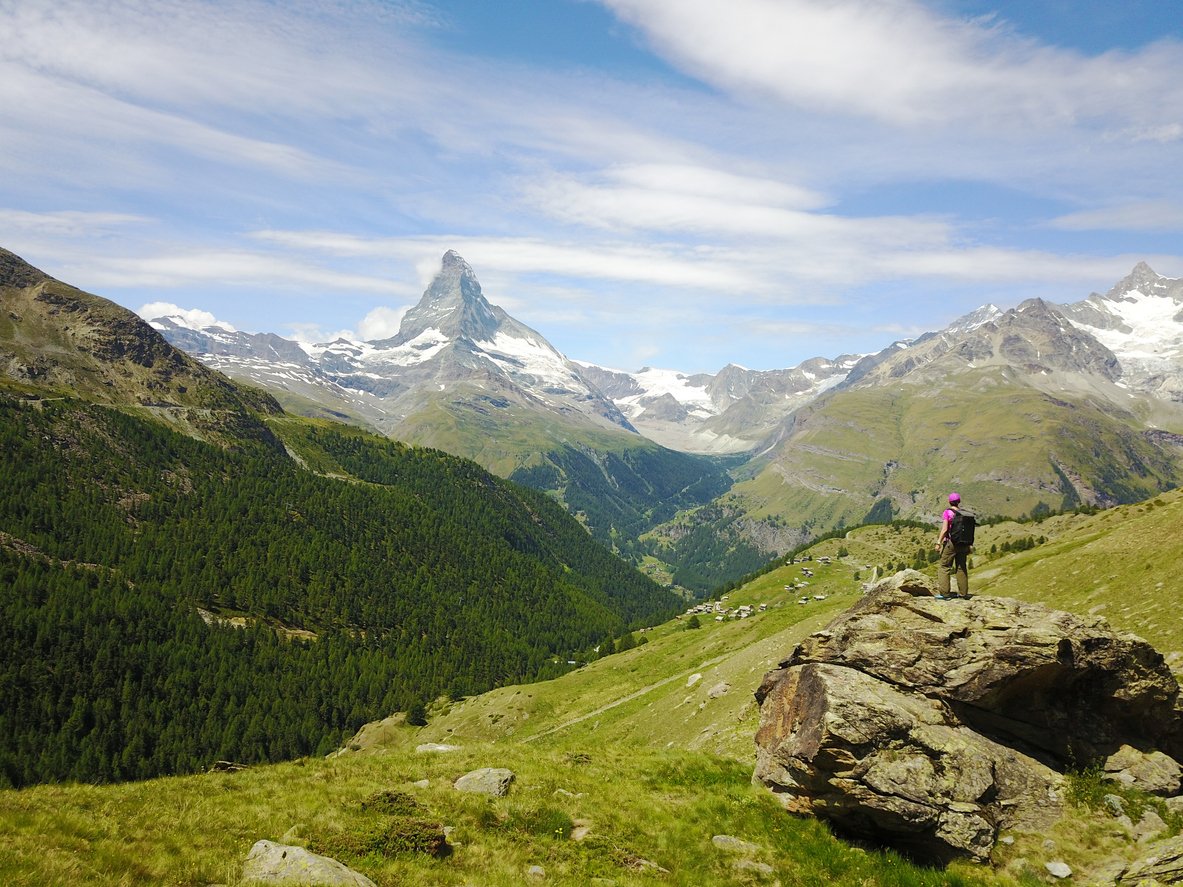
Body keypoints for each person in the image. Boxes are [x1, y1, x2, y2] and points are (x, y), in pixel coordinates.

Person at [934, 492, 971, 598]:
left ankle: (945, 594)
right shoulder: (963, 513)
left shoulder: (947, 512)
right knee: (961, 567)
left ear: (949, 501)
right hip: (963, 544)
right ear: (959, 501)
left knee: (944, 567)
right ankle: (963, 594)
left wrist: (938, 542)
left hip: (951, 543)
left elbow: (945, 529)